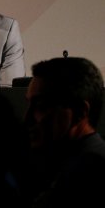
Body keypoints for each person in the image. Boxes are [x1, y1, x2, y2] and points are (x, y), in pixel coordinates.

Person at [22, 56, 105, 207]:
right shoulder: (62, 166)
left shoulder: (87, 178)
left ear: (80, 111)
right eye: (29, 105)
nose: (27, 119)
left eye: (41, 106)